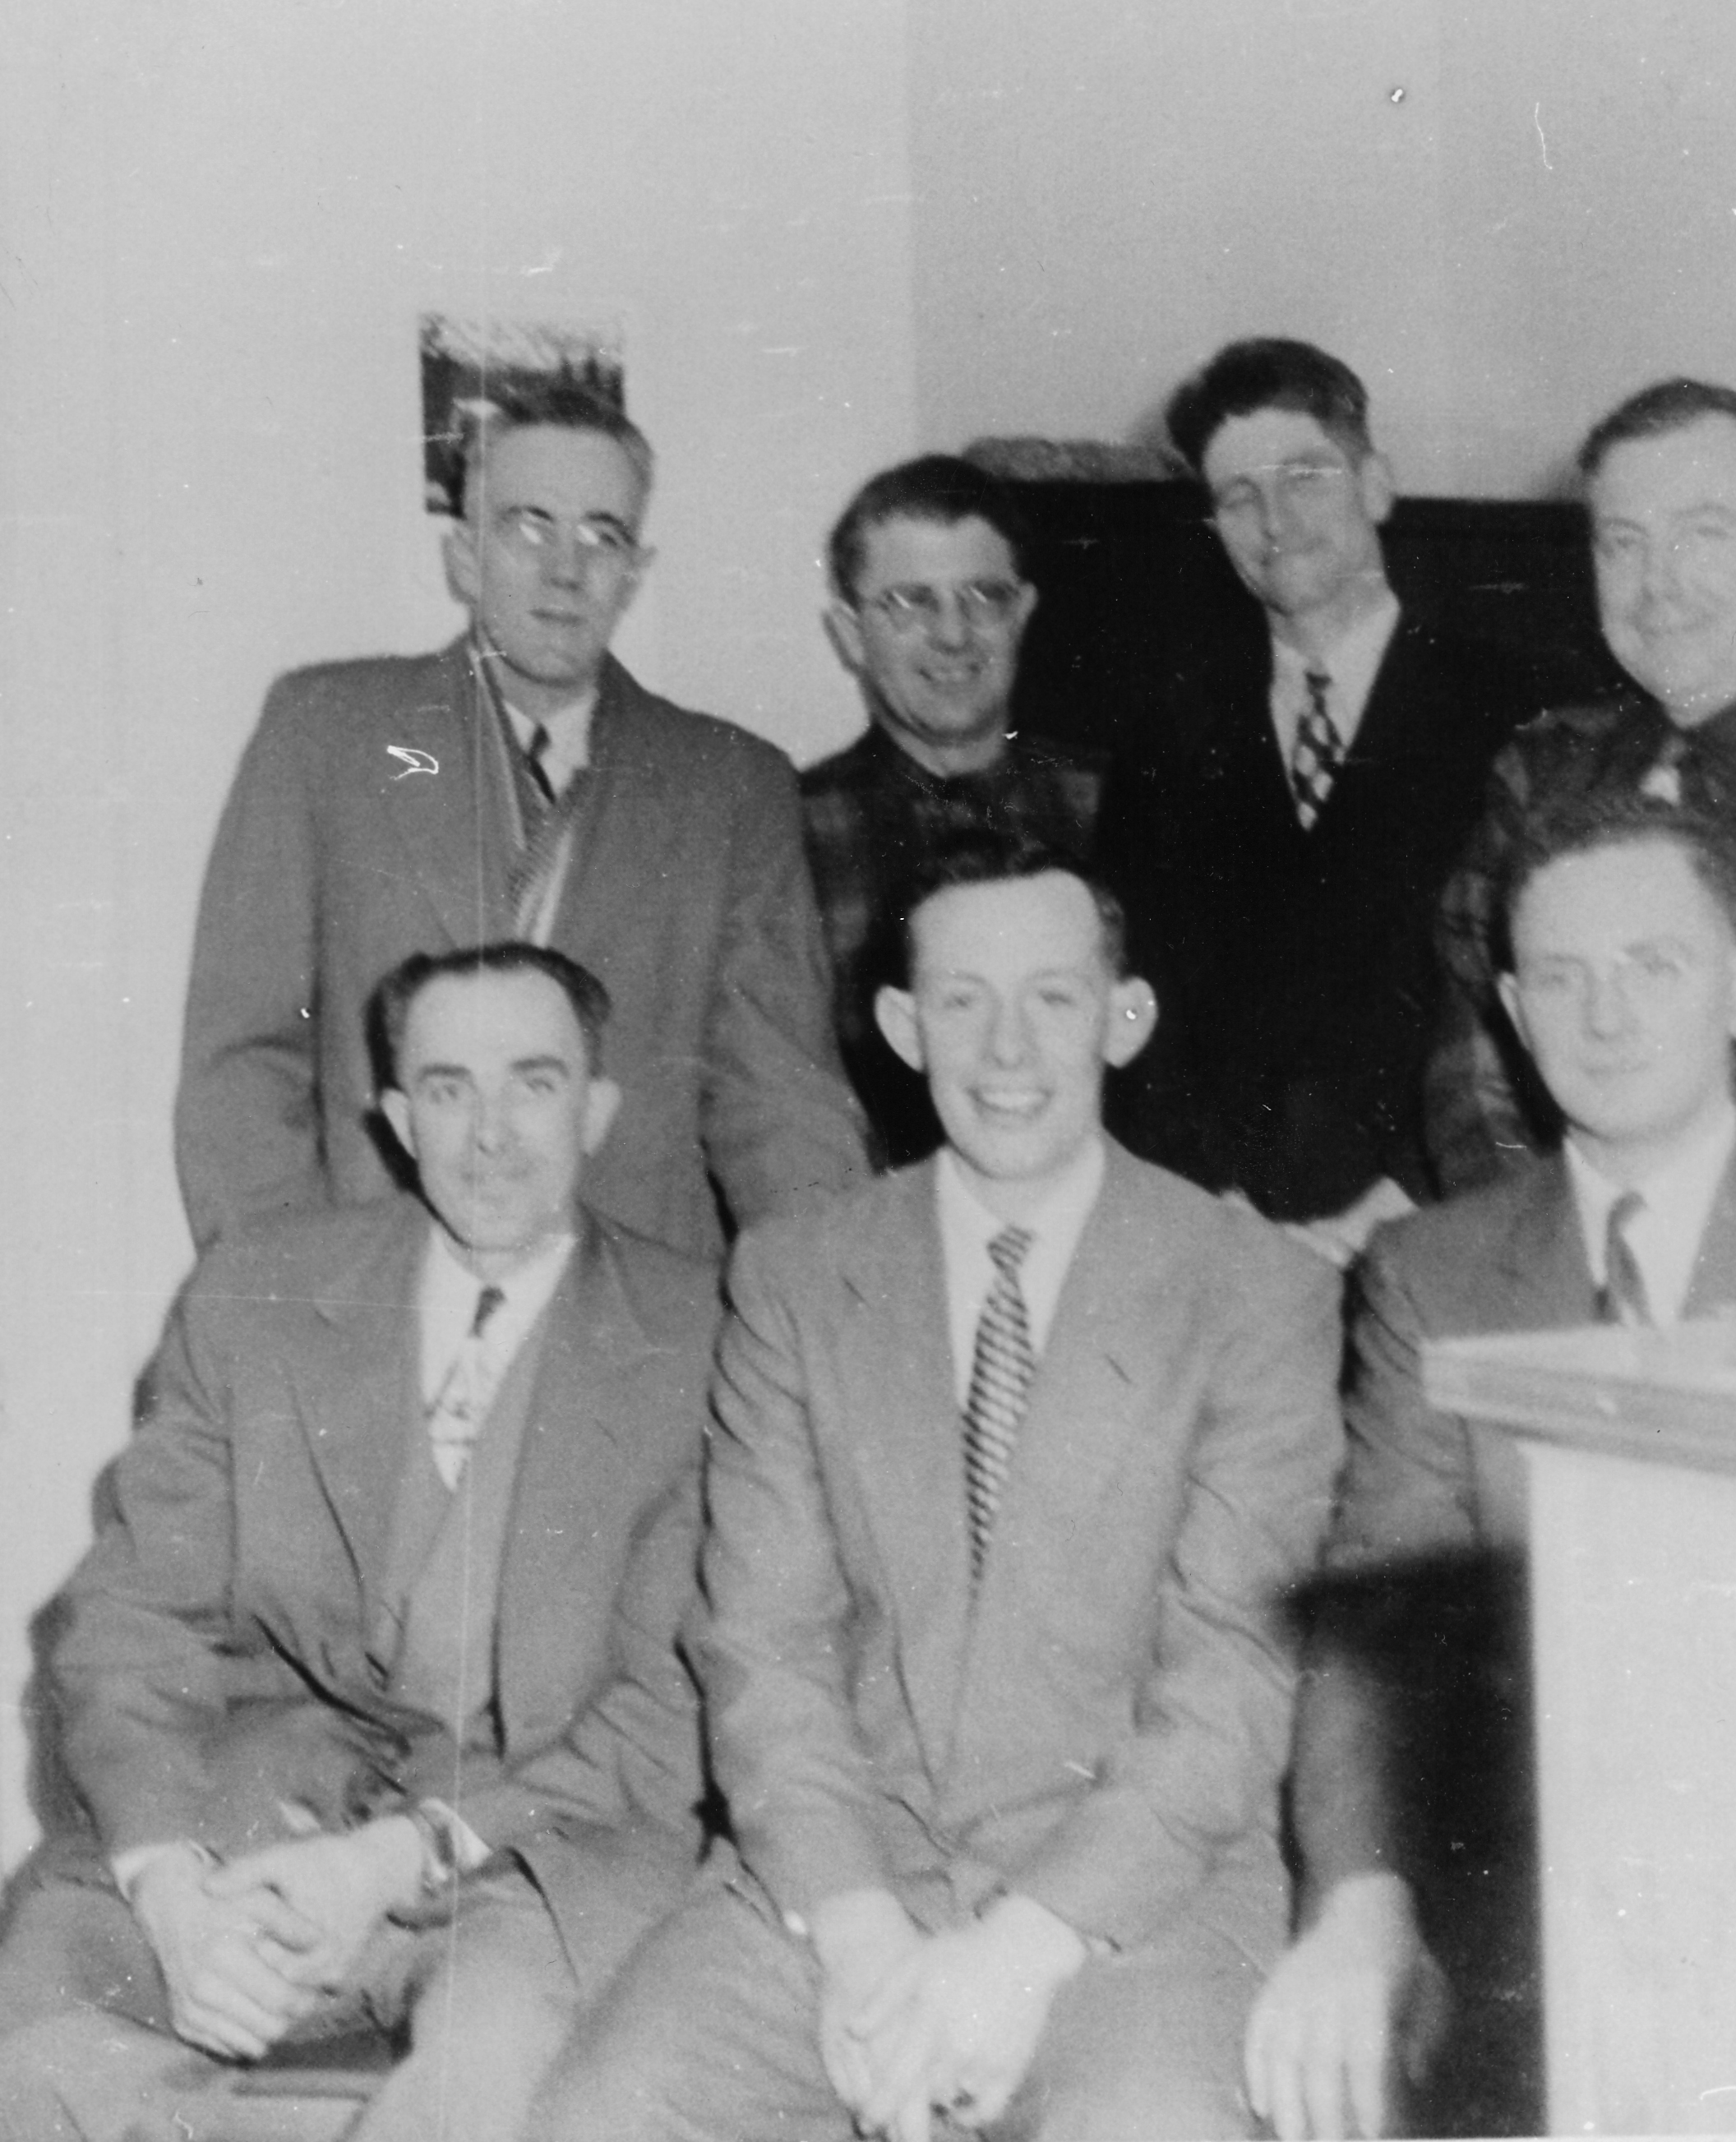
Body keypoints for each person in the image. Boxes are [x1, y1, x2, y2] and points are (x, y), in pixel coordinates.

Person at [528, 835, 1344, 2142]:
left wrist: (1018, 1953)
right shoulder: (797, 1277)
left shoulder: (1257, 1288)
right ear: (905, 1028)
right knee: (599, 2118)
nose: (1007, 1048)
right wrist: (863, 1943)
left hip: (1138, 1902)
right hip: (839, 1878)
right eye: (964, 1000)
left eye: (1053, 997)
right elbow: (762, 1648)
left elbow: (1234, 1683)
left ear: (1125, 1017)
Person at [0, 944, 720, 2142]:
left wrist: (393, 1859)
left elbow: (669, 1707)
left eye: (533, 1082)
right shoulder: (260, 1291)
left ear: (596, 1109)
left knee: (499, 2070)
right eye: (447, 1087)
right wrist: (172, 1888)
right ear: (396, 1116)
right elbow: (128, 1619)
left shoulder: (711, 1332)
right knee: (32, 2028)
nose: (490, 1133)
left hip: (536, 1847)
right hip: (253, 1816)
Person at [1244, 797, 1736, 2140]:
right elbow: (1373, 1635)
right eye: (1565, 978)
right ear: (1517, 1017)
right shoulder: (1434, 1271)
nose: (1607, 1015)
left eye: (1653, 965)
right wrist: (1361, 1901)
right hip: (1530, 1911)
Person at [177, 372, 867, 1262]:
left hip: (633, 1313)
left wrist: (829, 1306)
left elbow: (779, 1103)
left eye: (602, 536)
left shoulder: (731, 785)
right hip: (381, 1300)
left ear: (635, 574)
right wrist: (295, 1301)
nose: (564, 570)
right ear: (464, 554)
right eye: (528, 525)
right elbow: (243, 1066)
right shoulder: (326, 734)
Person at [1097, 338, 1537, 1259]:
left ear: (1375, 485)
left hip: (1447, 1225)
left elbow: (1524, 997)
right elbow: (1134, 1005)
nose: (1275, 521)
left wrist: (1402, 1202)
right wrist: (1215, 1207)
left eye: (1304, 477)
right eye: (1237, 495)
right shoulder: (1162, 741)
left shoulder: (1518, 713)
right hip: (1221, 1243)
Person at [1428, 376, 1736, 1194]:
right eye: (1623, 543)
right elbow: (1472, 1063)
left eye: (1702, 533)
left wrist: (1663, 1249)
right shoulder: (1539, 767)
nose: (1657, 584)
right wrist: (1545, 1243)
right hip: (1541, 1252)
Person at [804, 454, 1103, 1165]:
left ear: (1022, 614)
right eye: (910, 602)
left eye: (983, 596)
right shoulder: (788, 834)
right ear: (850, 634)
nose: (953, 634)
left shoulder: (1114, 804)